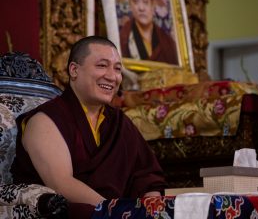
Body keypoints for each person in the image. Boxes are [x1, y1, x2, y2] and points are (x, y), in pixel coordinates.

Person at [11, 36, 167, 209]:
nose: (112, 77)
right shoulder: (45, 120)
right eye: (102, 65)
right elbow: (62, 184)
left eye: (117, 69)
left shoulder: (119, 122)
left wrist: (153, 210)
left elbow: (147, 177)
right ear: (74, 70)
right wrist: (114, 212)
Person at [119, 0, 179, 65]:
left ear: (153, 5)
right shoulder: (123, 38)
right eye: (135, 1)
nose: (141, 8)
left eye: (145, 2)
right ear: (130, 5)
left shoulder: (166, 41)